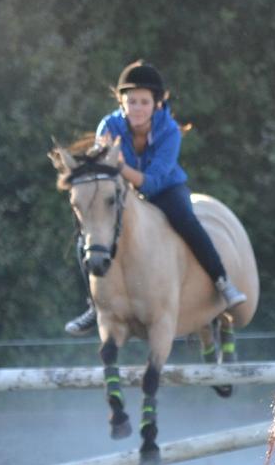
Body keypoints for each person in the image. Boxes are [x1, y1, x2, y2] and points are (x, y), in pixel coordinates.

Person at [65, 60, 246, 335]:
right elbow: (104, 171)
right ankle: (94, 305)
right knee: (89, 237)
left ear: (157, 104)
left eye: (143, 102)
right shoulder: (108, 126)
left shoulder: (170, 131)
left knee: (186, 220)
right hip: (125, 192)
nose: (137, 108)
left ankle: (222, 281)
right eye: (131, 101)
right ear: (122, 102)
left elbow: (153, 182)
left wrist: (122, 168)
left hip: (165, 189)